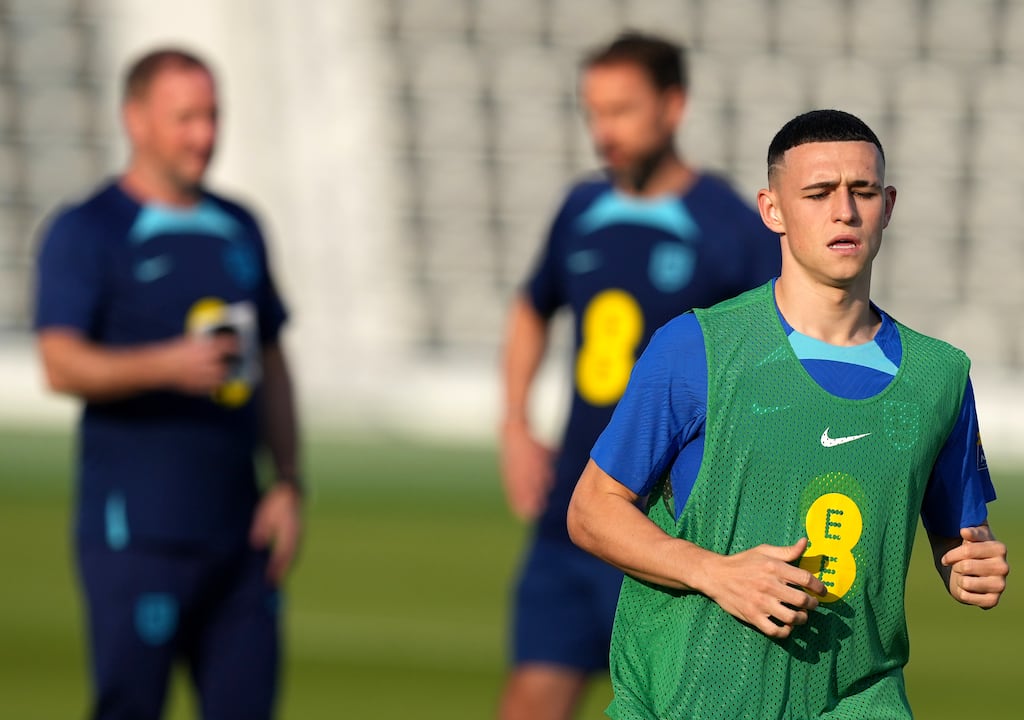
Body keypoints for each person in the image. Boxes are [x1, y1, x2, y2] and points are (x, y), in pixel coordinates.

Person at [567, 109, 1010, 718]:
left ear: (889, 204)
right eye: (819, 193)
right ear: (772, 209)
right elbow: (592, 510)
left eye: (863, 191)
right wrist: (715, 573)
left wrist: (971, 565)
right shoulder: (698, 348)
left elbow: (961, 540)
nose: (845, 211)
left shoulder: (941, 377)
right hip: (690, 699)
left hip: (860, 701)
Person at [498, 32, 781, 720]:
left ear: (673, 105)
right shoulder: (580, 210)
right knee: (530, 699)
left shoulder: (729, 229)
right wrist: (514, 424)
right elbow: (533, 309)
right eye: (593, 112)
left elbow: (777, 361)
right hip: (577, 504)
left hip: (675, 527)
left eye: (621, 110)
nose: (604, 131)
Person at [34, 48, 301, 720]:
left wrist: (290, 481)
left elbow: (272, 360)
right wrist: (168, 365)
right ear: (136, 120)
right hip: (138, 537)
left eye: (212, 116)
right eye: (185, 118)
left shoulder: (239, 226)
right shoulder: (89, 229)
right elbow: (60, 362)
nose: (204, 135)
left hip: (240, 538)